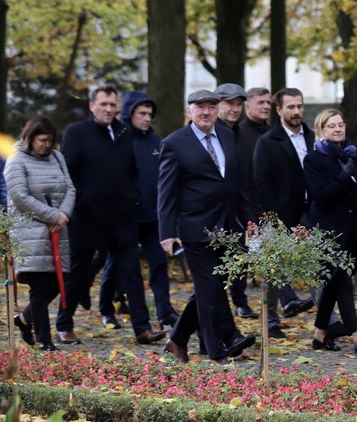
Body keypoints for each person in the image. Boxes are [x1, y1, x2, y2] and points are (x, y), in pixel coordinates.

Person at [57, 84, 166, 346]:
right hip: (87, 217)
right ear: (92, 106)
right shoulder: (76, 133)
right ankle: (64, 323)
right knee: (79, 273)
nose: (108, 109)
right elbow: (67, 174)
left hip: (123, 217)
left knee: (131, 272)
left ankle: (142, 328)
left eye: (112, 105)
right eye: (103, 104)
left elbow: (133, 170)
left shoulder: (124, 132)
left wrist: (134, 196)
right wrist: (77, 204)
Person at [158, 89, 256, 364]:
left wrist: (249, 221)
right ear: (189, 111)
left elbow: (236, 184)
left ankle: (177, 340)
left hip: (227, 227)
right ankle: (218, 350)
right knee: (210, 288)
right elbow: (166, 191)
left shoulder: (226, 135)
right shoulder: (175, 143)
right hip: (194, 228)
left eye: (211, 107)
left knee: (210, 288)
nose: (206, 112)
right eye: (199, 107)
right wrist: (167, 232)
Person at [96, 92, 179, 328]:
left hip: (153, 217)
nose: (147, 118)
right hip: (126, 217)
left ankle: (165, 311)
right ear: (129, 113)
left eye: (150, 114)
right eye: (142, 113)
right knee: (116, 265)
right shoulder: (118, 140)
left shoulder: (156, 141)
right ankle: (106, 308)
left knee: (159, 264)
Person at [303, 109, 357, 355]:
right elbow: (321, 195)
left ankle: (319, 335)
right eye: (331, 126)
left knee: (332, 282)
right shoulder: (313, 159)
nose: (337, 129)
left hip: (349, 227)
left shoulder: (349, 153)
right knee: (342, 281)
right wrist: (343, 176)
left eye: (340, 125)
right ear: (320, 131)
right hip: (326, 230)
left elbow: (355, 184)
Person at [252, 87, 323, 337]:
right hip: (280, 215)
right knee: (275, 272)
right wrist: (273, 215)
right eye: (291, 107)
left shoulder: (315, 138)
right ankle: (270, 322)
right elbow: (261, 183)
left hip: (310, 212)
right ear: (279, 110)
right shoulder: (268, 142)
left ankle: (326, 321)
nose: (296, 111)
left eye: (300, 106)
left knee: (318, 266)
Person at [5, 117, 75, 351]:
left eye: (50, 140)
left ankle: (24, 319)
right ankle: (45, 340)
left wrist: (62, 213)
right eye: (42, 140)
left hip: (57, 229)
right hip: (29, 231)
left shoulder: (57, 157)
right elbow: (20, 197)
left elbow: (70, 188)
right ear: (30, 137)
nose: (47, 145)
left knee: (59, 282)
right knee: (40, 285)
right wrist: (52, 216)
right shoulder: (16, 160)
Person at [214, 82, 257, 320]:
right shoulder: (212, 133)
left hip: (240, 207)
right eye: (229, 103)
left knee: (241, 256)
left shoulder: (243, 136)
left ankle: (240, 301)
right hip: (215, 209)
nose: (234, 108)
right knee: (218, 263)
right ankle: (220, 307)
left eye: (239, 104)